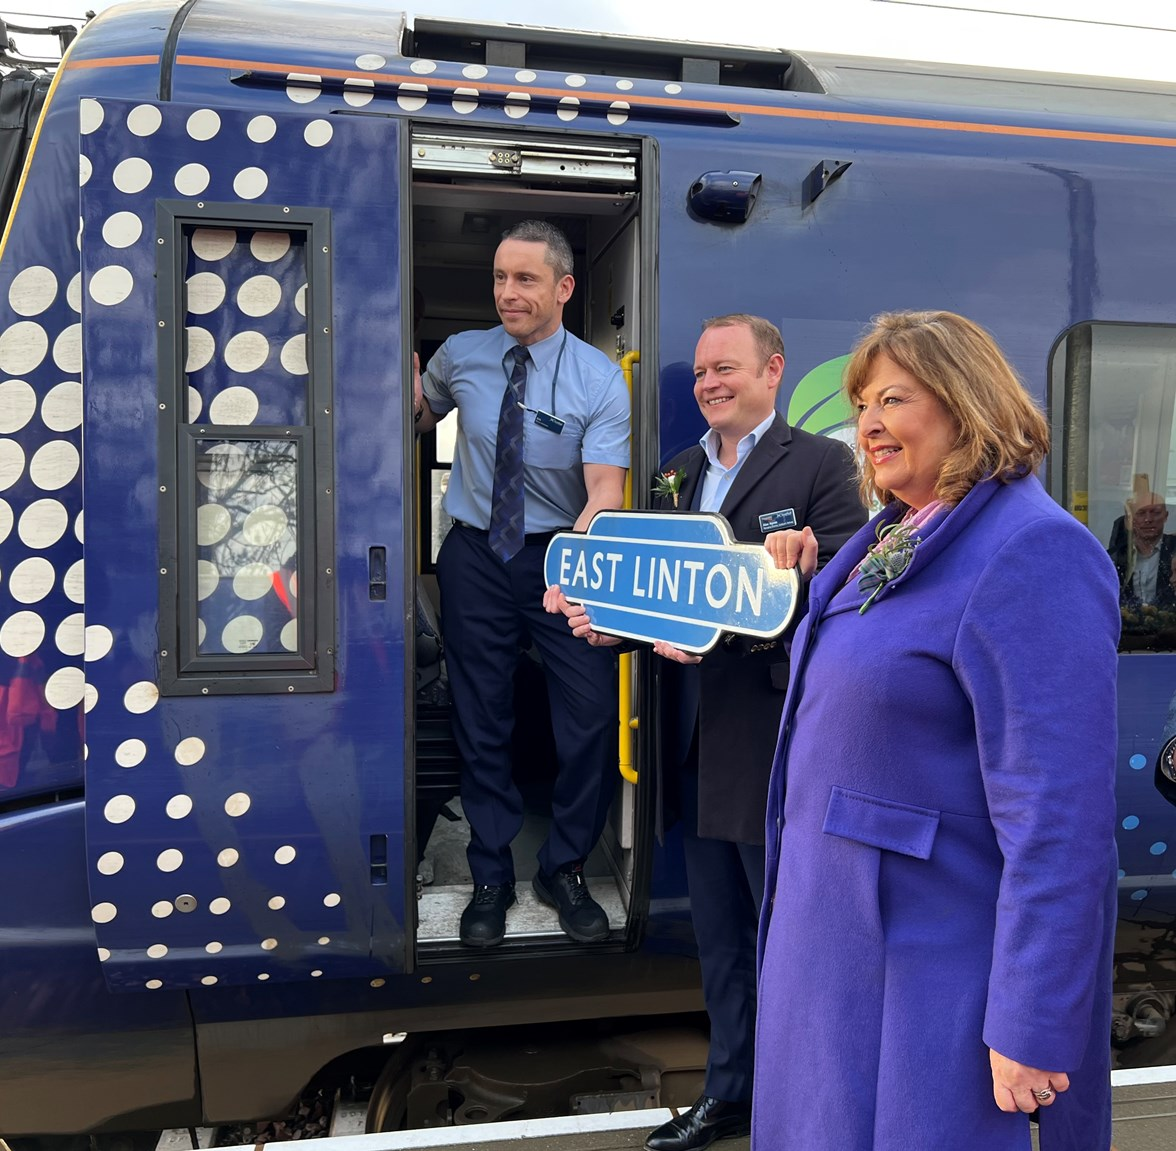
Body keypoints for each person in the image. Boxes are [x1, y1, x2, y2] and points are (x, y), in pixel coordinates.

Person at [753, 311, 1120, 1151]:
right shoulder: (889, 534)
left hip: (927, 981)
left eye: (893, 398)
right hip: (835, 953)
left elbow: (1059, 821)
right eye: (860, 404)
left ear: (966, 400)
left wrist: (1031, 1021)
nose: (868, 423)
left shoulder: (1031, 551)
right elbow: (865, 678)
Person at [545, 314, 864, 1151]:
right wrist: (603, 622)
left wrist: (780, 584)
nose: (710, 383)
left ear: (774, 371)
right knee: (720, 941)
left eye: (727, 369)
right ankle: (732, 1097)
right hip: (685, 747)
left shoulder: (823, 463)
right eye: (701, 375)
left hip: (770, 746)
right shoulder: (678, 473)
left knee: (786, 942)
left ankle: (810, 1107)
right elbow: (658, 593)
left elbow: (845, 585)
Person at [413, 220, 630, 948]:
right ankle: (492, 872)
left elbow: (604, 490)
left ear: (564, 287)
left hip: (563, 552)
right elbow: (420, 416)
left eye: (525, 279)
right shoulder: (461, 355)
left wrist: (574, 568)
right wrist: (402, 389)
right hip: (475, 553)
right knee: (483, 717)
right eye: (501, 278)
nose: (508, 292)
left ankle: (562, 866)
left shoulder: (597, 378)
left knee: (591, 713)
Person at [1107, 489, 1176, 609]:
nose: (1148, 519)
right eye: (1141, 513)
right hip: (1128, 625)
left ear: (1166, 516)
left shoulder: (1174, 550)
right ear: (1130, 519)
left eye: (1155, 512)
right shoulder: (1116, 555)